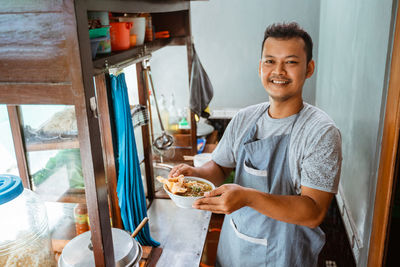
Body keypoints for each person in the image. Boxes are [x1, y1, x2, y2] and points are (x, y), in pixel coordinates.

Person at [169, 22, 342, 267]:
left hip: (286, 256)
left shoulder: (321, 132)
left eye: (291, 62)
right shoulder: (245, 118)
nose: (278, 71)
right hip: (236, 250)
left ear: (309, 68)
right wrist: (196, 175)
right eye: (270, 61)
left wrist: (248, 197)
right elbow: (219, 167)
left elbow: (313, 212)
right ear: (260, 67)